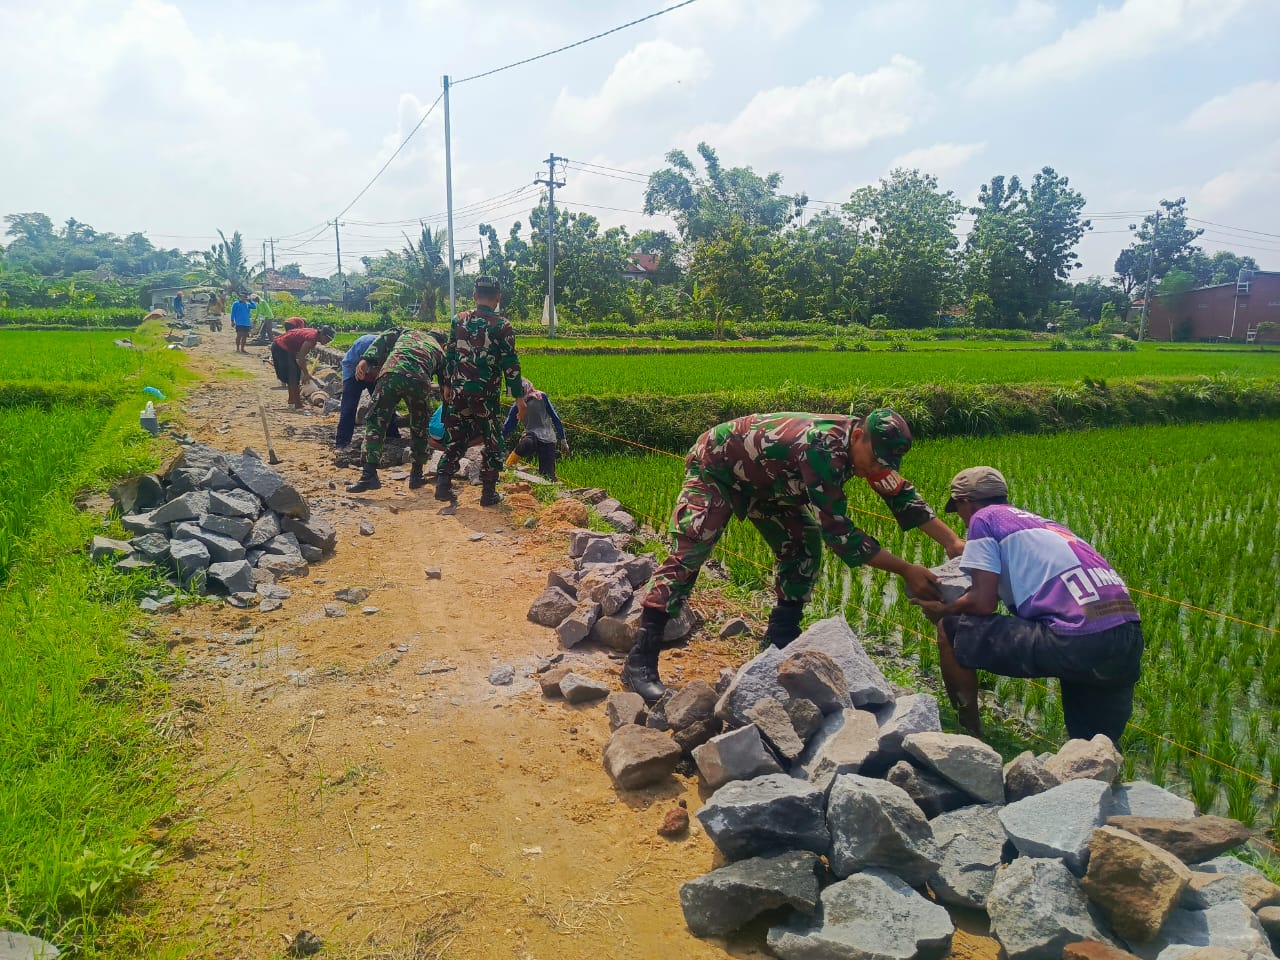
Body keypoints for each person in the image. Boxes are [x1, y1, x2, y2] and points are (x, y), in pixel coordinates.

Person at [621, 410, 964, 703]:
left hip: (770, 483)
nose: (876, 468)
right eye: (874, 459)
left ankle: (780, 639)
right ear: (858, 435)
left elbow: (900, 494)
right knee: (692, 546)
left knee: (802, 544)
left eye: (884, 463)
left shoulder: (867, 452)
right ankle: (642, 657)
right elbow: (840, 534)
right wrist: (906, 569)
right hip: (719, 468)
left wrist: (952, 543)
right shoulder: (822, 448)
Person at [910, 467, 1144, 744]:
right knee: (1093, 744)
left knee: (951, 629)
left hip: (1077, 639)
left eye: (958, 509)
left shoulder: (983, 518)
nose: (961, 519)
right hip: (1126, 635)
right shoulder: (1043, 525)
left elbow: (982, 604)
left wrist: (944, 610)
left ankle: (969, 737)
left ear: (966, 502)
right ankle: (1099, 775)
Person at [435, 275, 524, 507]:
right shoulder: (502, 326)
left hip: (459, 392)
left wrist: (446, 384)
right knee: (493, 440)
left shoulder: (458, 320)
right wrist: (519, 399)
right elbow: (511, 365)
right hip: (486, 396)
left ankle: (443, 482)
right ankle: (488, 492)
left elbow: (450, 354)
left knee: (456, 436)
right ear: (498, 298)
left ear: (475, 296)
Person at [346, 328, 448, 493]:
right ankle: (416, 475)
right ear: (443, 343)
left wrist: (365, 360)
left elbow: (384, 336)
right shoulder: (440, 351)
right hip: (419, 381)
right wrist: (447, 410)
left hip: (391, 375)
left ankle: (368, 474)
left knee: (376, 420)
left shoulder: (407, 332)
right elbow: (447, 385)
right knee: (419, 426)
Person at [335, 331, 401, 450]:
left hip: (376, 373)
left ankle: (394, 438)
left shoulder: (396, 350)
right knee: (349, 407)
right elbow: (363, 366)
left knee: (385, 405)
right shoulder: (367, 344)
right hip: (353, 370)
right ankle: (342, 442)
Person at [502, 378, 568, 480]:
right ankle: (508, 464)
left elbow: (555, 417)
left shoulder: (541, 397)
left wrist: (563, 440)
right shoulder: (518, 406)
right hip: (531, 435)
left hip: (548, 438)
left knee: (548, 475)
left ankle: (547, 485)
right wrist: (498, 442)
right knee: (526, 443)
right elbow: (509, 425)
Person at [271, 323, 335, 408]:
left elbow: (300, 353)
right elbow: (301, 357)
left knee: (294, 373)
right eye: (328, 339)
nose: (328, 341)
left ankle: (292, 400)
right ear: (322, 335)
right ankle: (297, 403)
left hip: (285, 348)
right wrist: (306, 374)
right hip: (281, 347)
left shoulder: (314, 335)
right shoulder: (311, 338)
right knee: (294, 375)